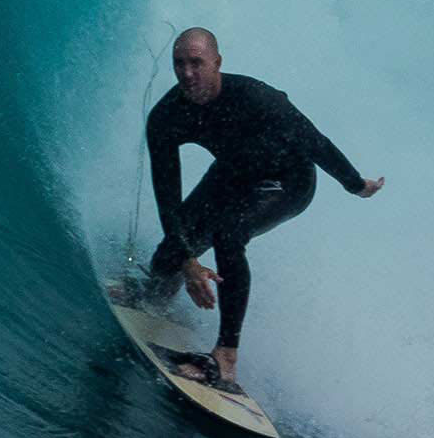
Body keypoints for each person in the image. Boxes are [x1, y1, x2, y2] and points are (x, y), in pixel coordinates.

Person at [140, 27, 382, 396]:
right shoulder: (167, 116)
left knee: (228, 234)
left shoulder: (258, 98)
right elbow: (167, 194)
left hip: (288, 181)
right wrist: (188, 261)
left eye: (197, 63)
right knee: (168, 258)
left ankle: (226, 356)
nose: (188, 74)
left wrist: (355, 184)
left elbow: (315, 142)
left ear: (218, 63)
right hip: (233, 174)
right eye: (179, 64)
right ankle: (159, 297)